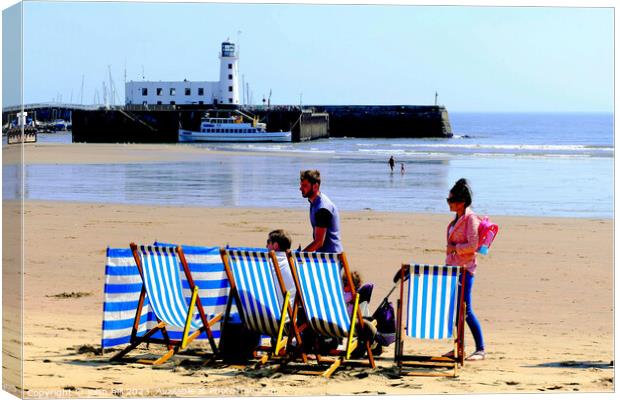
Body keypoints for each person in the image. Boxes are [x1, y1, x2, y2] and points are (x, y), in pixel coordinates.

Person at [445, 178, 486, 361]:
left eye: (451, 200)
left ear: (461, 203)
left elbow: (474, 245)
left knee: (466, 309)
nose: (448, 202)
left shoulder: (471, 219)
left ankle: (480, 349)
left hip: (465, 269)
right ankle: (457, 348)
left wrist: (454, 248)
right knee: (456, 310)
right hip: (453, 269)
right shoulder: (456, 220)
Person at [299, 170, 343, 253]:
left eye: (304, 185)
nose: (300, 188)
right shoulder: (315, 201)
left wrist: (301, 255)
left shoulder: (322, 209)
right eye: (301, 185)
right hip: (325, 255)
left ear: (315, 186)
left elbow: (319, 242)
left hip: (331, 259)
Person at [266, 229, 296, 306]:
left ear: (275, 245)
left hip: (258, 313)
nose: (266, 246)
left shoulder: (265, 264)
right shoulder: (296, 265)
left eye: (268, 242)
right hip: (287, 315)